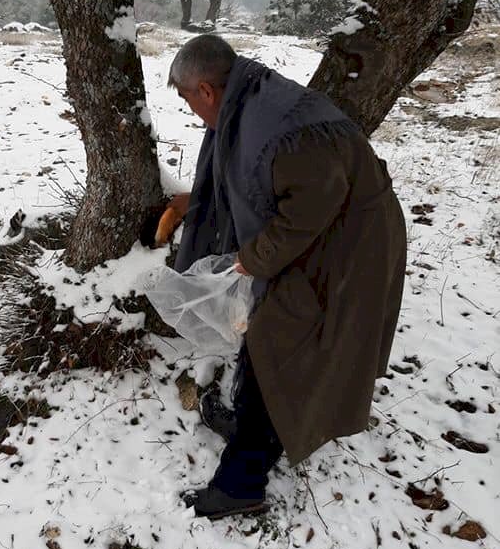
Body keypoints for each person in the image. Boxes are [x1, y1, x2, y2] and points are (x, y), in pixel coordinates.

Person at [162, 34, 407, 520]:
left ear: (207, 92)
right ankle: (254, 427)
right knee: (267, 336)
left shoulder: (274, 125)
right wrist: (200, 203)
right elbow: (261, 181)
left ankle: (240, 485)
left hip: (347, 245)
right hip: (326, 232)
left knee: (278, 341)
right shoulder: (251, 99)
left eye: (189, 102)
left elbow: (310, 204)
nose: (194, 115)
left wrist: (254, 257)